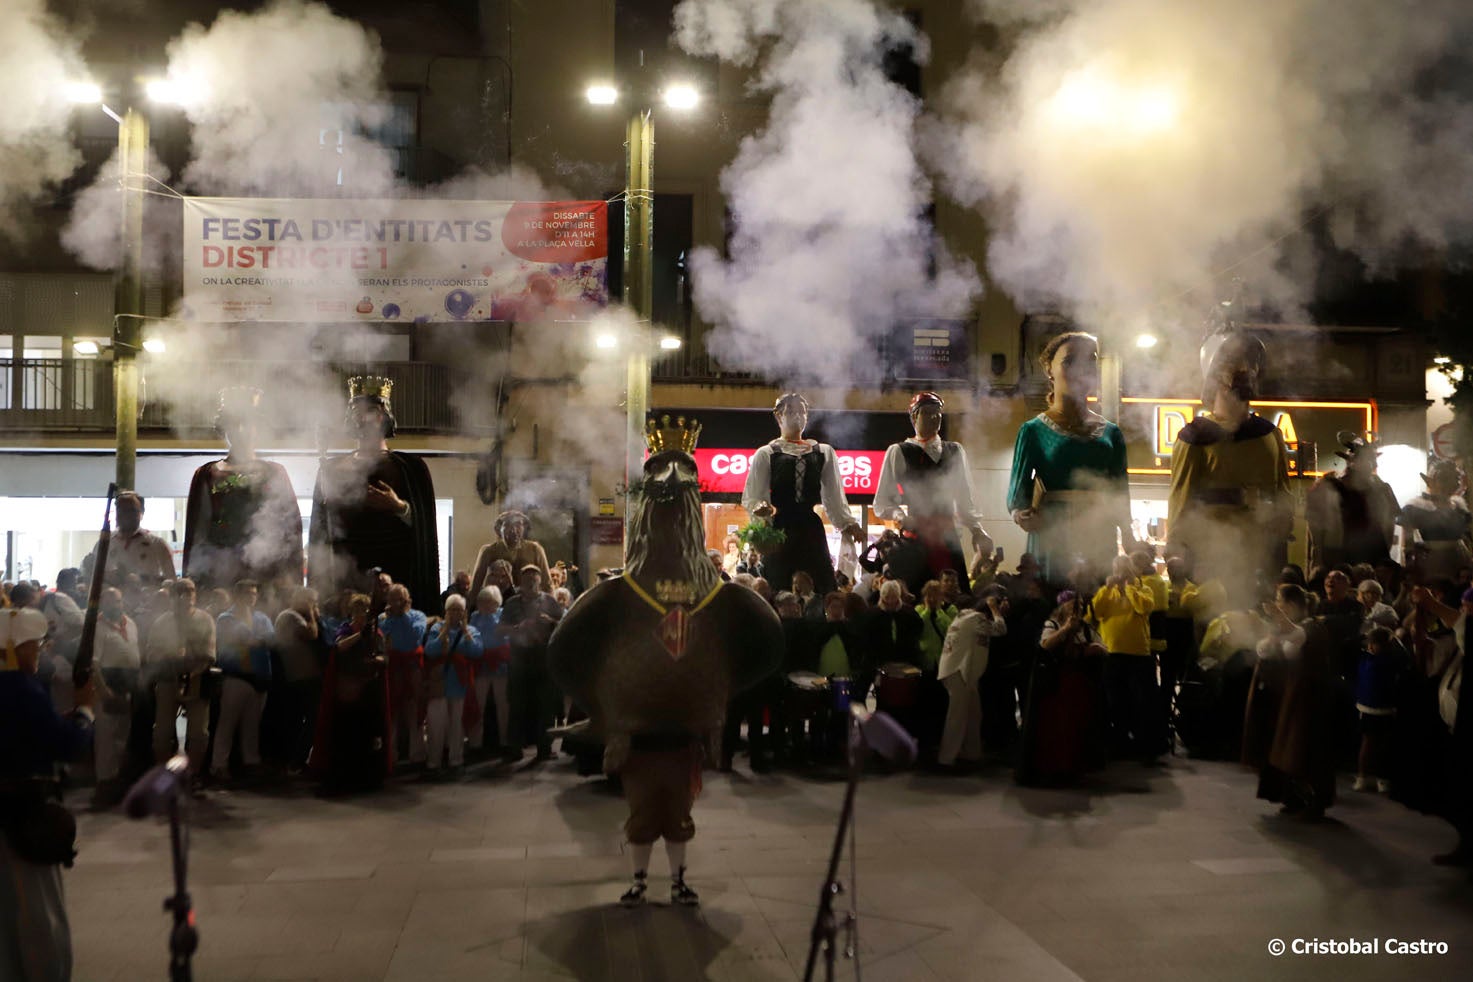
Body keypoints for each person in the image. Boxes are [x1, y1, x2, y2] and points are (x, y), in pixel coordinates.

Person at [546, 414, 783, 907]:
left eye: (683, 478)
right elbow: (563, 652)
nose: (672, 487)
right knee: (641, 815)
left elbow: (766, 645)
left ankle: (674, 880)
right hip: (636, 730)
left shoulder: (720, 595)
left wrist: (719, 697)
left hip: (684, 734)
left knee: (676, 814)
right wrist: (603, 710)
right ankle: (641, 880)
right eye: (659, 477)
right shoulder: (621, 593)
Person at [0, 603, 95, 982]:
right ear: (12, 647)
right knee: (41, 922)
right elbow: (67, 745)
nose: (38, 649)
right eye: (31, 644)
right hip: (23, 814)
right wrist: (86, 712)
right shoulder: (20, 688)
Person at [1167, 329, 1293, 607]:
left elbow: (1284, 498)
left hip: (1259, 559)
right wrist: (1175, 552)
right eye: (1234, 361)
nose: (1247, 369)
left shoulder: (1270, 435)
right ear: (1213, 374)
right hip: (1211, 560)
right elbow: (1180, 501)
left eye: (1251, 361)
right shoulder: (1195, 438)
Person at [1008, 334, 1131, 588]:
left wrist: (1128, 532)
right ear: (1049, 371)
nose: (1080, 369)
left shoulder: (1111, 433)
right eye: (1070, 361)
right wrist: (1021, 513)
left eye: (1090, 361)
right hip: (1053, 531)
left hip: (1099, 530)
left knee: (1098, 602)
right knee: (1056, 601)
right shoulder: (1033, 431)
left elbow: (1119, 489)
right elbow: (1017, 492)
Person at [309, 376, 439, 608]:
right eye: (356, 410)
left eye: (370, 410)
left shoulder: (411, 468)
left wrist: (399, 507)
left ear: (384, 415)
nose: (362, 417)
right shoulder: (332, 469)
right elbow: (321, 531)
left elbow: (424, 526)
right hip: (346, 571)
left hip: (397, 570)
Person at [182, 387, 302, 610]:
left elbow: (291, 529)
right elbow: (197, 533)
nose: (239, 429)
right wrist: (196, 582)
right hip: (219, 578)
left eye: (246, 422)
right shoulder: (206, 474)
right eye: (233, 422)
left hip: (267, 578)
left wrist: (291, 580)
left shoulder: (275, 472)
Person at [742, 392, 862, 597]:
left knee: (820, 584)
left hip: (810, 527)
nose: (797, 416)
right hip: (781, 529)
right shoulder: (766, 453)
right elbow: (753, 495)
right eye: (791, 411)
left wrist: (847, 523)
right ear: (779, 417)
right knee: (778, 584)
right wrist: (761, 512)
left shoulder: (823, 451)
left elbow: (833, 495)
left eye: (802, 411)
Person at [875, 391, 991, 596]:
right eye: (927, 412)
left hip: (947, 535)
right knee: (915, 595)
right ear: (914, 417)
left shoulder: (954, 451)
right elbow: (883, 501)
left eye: (938, 412)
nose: (935, 417)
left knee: (955, 596)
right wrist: (900, 516)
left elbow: (965, 496)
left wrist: (977, 529)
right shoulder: (899, 451)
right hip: (916, 537)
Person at [1244, 584, 1338, 819]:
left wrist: (1277, 619)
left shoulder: (1313, 626)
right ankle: (1292, 796)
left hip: (1310, 699)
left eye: (1281, 602)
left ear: (1293, 605)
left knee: (1306, 749)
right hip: (1289, 696)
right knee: (1285, 748)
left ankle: (1315, 801)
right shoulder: (1286, 627)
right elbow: (1266, 649)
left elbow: (1297, 638)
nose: (1277, 606)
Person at [1017, 592, 1108, 785]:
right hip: (1056, 684)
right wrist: (1066, 629)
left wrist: (1089, 650)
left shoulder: (1086, 628)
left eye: (1081, 605)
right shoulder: (1052, 624)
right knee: (1056, 726)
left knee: (1077, 726)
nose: (1079, 608)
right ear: (1063, 605)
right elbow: (1045, 645)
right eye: (1074, 604)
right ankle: (1054, 768)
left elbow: (1102, 647)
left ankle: (1074, 767)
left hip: (1079, 684)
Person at [311, 593, 390, 792]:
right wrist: (359, 635)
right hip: (348, 688)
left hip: (368, 689)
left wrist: (378, 660)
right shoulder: (346, 629)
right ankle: (343, 777)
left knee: (368, 734)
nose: (361, 613)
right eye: (357, 610)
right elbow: (339, 647)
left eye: (364, 610)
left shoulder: (376, 633)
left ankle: (367, 777)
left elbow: (384, 656)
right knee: (346, 733)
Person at [145, 578, 217, 777]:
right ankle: (163, 773)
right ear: (173, 596)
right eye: (182, 591)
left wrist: (192, 671)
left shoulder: (205, 620)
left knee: (198, 733)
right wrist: (168, 657)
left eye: (191, 591)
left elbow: (210, 655)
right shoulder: (162, 622)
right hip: (168, 678)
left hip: (196, 678)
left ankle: (192, 775)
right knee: (162, 732)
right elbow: (151, 653)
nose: (187, 595)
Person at [1093, 555, 1160, 761]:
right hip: (1112, 653)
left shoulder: (1144, 590)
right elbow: (1096, 612)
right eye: (1116, 569)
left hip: (1138, 654)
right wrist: (1106, 589)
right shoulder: (1107, 592)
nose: (1120, 573)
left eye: (1124, 569)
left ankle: (1144, 746)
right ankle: (1119, 743)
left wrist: (1130, 588)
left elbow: (1143, 608)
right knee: (1115, 701)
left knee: (1142, 701)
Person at [211, 579, 275, 783]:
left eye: (254, 593)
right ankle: (218, 765)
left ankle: (251, 762)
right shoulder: (226, 619)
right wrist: (257, 641)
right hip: (236, 675)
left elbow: (271, 640)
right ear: (238, 595)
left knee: (252, 725)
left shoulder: (262, 618)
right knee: (227, 724)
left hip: (260, 677)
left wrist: (256, 641)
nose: (252, 597)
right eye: (248, 593)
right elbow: (245, 640)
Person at [1306, 433, 1400, 572]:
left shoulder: (1382, 489)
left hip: (1374, 554)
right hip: (1338, 555)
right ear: (1351, 461)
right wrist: (1317, 558)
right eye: (1366, 459)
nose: (1372, 464)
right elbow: (1315, 527)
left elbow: (1389, 524)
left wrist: (1385, 555)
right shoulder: (1329, 486)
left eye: (1372, 459)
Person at [500, 564, 564, 761]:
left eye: (534, 579)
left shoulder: (551, 602)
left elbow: (563, 627)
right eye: (527, 578)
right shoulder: (511, 603)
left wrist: (550, 622)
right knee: (517, 705)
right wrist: (519, 627)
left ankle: (544, 748)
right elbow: (500, 630)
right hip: (519, 659)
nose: (530, 582)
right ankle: (514, 748)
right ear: (521, 581)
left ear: (540, 581)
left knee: (545, 706)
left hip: (543, 659)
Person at [937, 591, 1007, 770]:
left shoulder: (963, 618)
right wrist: (995, 609)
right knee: (957, 717)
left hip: (962, 672)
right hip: (959, 672)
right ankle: (946, 759)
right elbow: (1000, 629)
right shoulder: (974, 618)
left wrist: (997, 612)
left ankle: (972, 753)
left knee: (974, 714)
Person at [91, 587, 140, 808]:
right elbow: (93, 663)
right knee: (105, 740)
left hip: (128, 684)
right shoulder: (97, 628)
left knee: (122, 737)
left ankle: (117, 784)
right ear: (102, 604)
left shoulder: (130, 623)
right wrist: (103, 690)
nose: (115, 605)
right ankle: (104, 785)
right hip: (107, 685)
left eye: (118, 600)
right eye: (110, 601)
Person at [422, 595, 482, 777]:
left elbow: (477, 651)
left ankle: (456, 761)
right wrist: (444, 633)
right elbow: (430, 651)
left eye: (459, 610)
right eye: (452, 610)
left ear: (464, 613)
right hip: (439, 686)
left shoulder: (471, 630)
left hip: (459, 686)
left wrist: (465, 634)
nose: (456, 613)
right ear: (446, 612)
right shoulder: (437, 628)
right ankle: (434, 762)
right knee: (436, 726)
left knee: (457, 726)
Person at [1396, 459, 1471, 589]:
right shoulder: (1415, 507)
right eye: (1445, 478)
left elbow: (1466, 538)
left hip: (1458, 561)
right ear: (1431, 481)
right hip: (1429, 562)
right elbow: (1406, 543)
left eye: (1455, 478)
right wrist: (1409, 566)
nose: (1452, 483)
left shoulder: (1459, 509)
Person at [273, 588, 324, 773]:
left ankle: (298, 759)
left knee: (307, 720)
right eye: (311, 602)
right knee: (306, 720)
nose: (314, 606)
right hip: (300, 676)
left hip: (304, 676)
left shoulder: (295, 616)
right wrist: (311, 613)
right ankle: (295, 760)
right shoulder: (289, 616)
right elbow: (312, 634)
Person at [81, 491, 175, 590]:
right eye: (121, 510)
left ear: (141, 513)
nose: (126, 515)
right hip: (111, 603)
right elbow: (92, 582)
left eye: (131, 510)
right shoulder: (104, 544)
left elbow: (171, 582)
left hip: (148, 603)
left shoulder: (157, 545)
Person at [379, 584, 429, 768]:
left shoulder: (418, 617)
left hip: (413, 669)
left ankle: (417, 754)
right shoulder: (383, 619)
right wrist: (393, 620)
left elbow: (413, 638)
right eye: (393, 599)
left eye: (401, 599)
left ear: (408, 600)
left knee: (414, 710)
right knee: (392, 711)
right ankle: (390, 755)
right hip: (393, 670)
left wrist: (404, 615)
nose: (397, 603)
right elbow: (387, 640)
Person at [1354, 627, 1406, 793]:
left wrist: (1363, 636)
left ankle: (1363, 778)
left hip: (1368, 708)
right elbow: (1405, 656)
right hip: (1384, 708)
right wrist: (1396, 640)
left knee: (1369, 743)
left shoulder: (1365, 660)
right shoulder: (1391, 660)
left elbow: (1349, 645)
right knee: (1381, 744)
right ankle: (1380, 779)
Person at [469, 510, 551, 598]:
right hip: (497, 602)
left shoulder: (535, 549)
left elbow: (547, 584)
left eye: (518, 525)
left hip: (527, 603)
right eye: (508, 525)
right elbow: (476, 586)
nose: (514, 530)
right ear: (499, 529)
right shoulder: (489, 551)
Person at [468, 586, 511, 753]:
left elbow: (507, 637)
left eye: (489, 602)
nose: (484, 605)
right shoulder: (474, 617)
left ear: (496, 602)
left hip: (500, 666)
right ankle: (475, 743)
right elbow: (471, 635)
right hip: (481, 665)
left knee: (503, 706)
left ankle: (505, 742)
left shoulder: (503, 615)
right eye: (482, 601)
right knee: (478, 705)